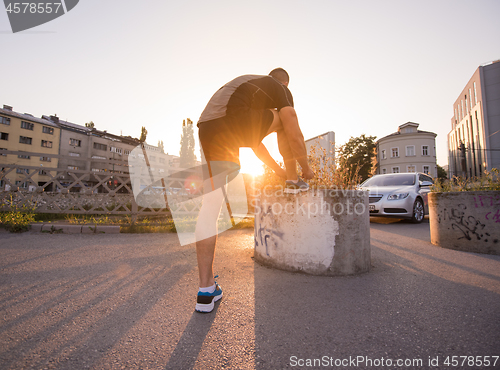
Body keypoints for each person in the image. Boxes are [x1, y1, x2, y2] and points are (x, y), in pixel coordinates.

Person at [194, 68, 314, 313]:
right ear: (284, 83)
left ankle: (206, 291)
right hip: (230, 120)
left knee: (211, 205)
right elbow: (293, 129)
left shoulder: (249, 92)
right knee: (285, 120)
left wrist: (278, 171)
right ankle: (294, 179)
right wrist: (306, 168)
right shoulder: (278, 88)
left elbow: (255, 144)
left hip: (208, 126)